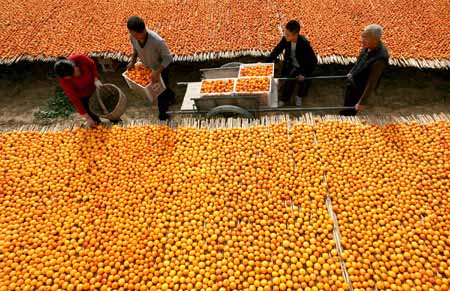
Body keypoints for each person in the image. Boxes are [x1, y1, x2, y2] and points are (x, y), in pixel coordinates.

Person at [126, 16, 176, 121]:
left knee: (160, 93)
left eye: (137, 34)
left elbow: (168, 58)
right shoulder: (133, 37)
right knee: (164, 87)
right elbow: (135, 49)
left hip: (161, 68)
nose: (135, 36)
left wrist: (157, 72)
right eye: (133, 34)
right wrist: (133, 60)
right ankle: (171, 96)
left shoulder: (157, 41)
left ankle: (163, 115)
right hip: (147, 68)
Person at [340, 24, 389, 116]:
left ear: (375, 40)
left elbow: (371, 83)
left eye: (365, 37)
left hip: (360, 88)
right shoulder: (368, 46)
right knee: (347, 103)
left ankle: (347, 117)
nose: (362, 40)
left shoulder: (380, 59)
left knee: (350, 109)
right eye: (362, 36)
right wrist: (352, 72)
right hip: (354, 81)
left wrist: (362, 102)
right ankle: (345, 112)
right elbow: (360, 60)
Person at [267, 20, 318, 107]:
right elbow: (277, 50)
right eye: (285, 33)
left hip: (303, 67)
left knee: (303, 83)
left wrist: (303, 73)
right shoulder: (285, 39)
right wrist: (266, 63)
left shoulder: (304, 44)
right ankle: (284, 99)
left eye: (288, 34)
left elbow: (313, 61)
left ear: (295, 34)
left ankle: (299, 96)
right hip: (290, 64)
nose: (285, 35)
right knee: (288, 81)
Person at [54, 55, 105, 128]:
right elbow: (74, 99)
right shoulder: (64, 80)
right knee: (94, 119)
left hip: (94, 87)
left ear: (74, 66)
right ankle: (98, 125)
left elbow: (92, 65)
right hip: (84, 96)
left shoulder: (80, 59)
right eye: (70, 77)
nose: (73, 77)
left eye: (72, 75)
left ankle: (116, 121)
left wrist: (96, 78)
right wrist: (88, 118)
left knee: (107, 107)